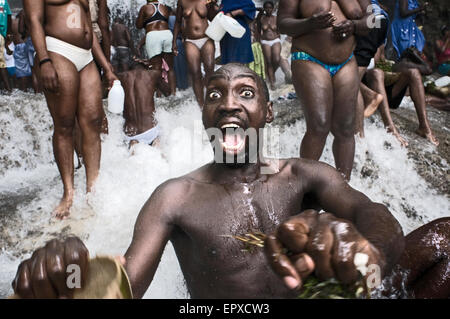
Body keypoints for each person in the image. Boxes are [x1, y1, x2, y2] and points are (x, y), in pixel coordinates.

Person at [10, 63, 408, 299]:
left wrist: (366, 251)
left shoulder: (303, 175)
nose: (228, 103)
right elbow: (123, 285)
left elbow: (372, 212)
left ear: (268, 112)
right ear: (203, 113)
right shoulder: (175, 198)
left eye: (245, 93)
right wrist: (69, 282)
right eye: (215, 95)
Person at [24, 0, 118, 219]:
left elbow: (89, 28)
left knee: (93, 122)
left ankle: (92, 190)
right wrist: (44, 60)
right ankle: (68, 193)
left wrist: (106, 66)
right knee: (65, 124)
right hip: (58, 50)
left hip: (86, 55)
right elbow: (34, 21)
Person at [277, 0, 372, 181]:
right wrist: (309, 23)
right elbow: (282, 24)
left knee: (345, 128)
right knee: (319, 126)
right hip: (309, 59)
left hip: (347, 62)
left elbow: (372, 20)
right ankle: (302, 189)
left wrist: (354, 26)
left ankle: (343, 188)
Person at [364, 45, 438, 146]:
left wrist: (394, 68)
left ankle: (424, 127)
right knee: (376, 73)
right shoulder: (356, 36)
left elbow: (382, 61)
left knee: (413, 72)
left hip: (383, 90)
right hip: (364, 90)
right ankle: (390, 128)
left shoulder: (379, 39)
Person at [172, 0, 215, 106]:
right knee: (195, 73)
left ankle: (211, 100)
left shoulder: (206, 0)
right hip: (190, 41)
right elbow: (177, 22)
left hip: (206, 39)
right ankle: (201, 105)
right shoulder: (182, 2)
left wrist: (213, 6)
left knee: (209, 69)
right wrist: (174, 42)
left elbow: (213, 19)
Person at [120, 57, 170, 147]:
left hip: (130, 134)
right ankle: (156, 142)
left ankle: (133, 143)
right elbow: (168, 92)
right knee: (159, 148)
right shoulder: (152, 74)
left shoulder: (120, 77)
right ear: (145, 66)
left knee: (133, 148)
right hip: (151, 131)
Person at [136, 0, 176, 96]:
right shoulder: (164, 7)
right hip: (167, 34)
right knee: (170, 68)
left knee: (156, 69)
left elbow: (138, 25)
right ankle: (174, 94)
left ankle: (159, 95)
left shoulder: (145, 8)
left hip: (153, 35)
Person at [217, 0, 256, 65]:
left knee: (238, 61)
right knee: (228, 62)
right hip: (226, 32)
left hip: (238, 29)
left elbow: (250, 8)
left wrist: (233, 13)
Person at [257, 1, 282, 90]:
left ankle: (271, 74)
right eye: (266, 8)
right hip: (265, 41)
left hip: (275, 40)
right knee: (268, 62)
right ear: (264, 8)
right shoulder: (261, 18)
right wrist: (259, 41)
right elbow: (258, 30)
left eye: (270, 8)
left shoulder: (276, 18)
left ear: (273, 8)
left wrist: (279, 36)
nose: (268, 10)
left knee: (277, 59)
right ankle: (272, 82)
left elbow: (280, 29)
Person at [168, 12, 189, 90]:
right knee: (182, 66)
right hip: (179, 43)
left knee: (174, 67)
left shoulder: (169, 19)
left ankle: (178, 87)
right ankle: (184, 86)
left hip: (172, 43)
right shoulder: (174, 18)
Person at [0, 0, 12, 92]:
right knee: (1, 64)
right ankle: (8, 89)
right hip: (1, 35)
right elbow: (9, 18)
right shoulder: (4, 2)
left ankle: (8, 89)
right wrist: (8, 34)